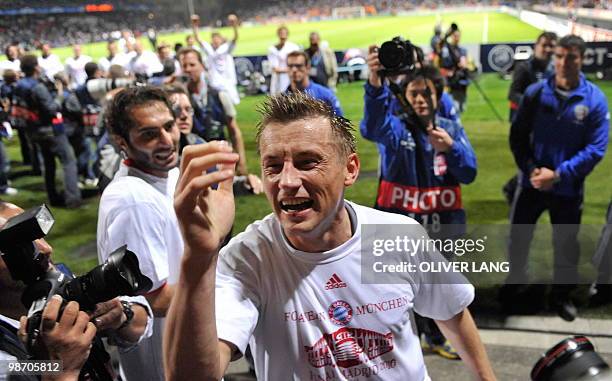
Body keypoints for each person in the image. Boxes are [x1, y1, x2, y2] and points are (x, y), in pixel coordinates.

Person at [164, 92, 495, 380]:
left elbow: (451, 312)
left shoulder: (397, 236)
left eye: (308, 162)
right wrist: (199, 255)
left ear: (350, 169)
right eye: (273, 166)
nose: (287, 181)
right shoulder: (249, 258)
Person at [362, 47, 477, 360]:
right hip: (399, 227)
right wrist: (375, 82)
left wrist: (452, 149)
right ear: (405, 97)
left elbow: (469, 173)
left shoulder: (450, 129)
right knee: (394, 288)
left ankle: (436, 337)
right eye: (414, 93)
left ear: (439, 97)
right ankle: (399, 343)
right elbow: (371, 127)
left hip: (441, 228)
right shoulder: (395, 128)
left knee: (438, 287)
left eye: (428, 93)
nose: (421, 99)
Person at [501, 35, 609, 321]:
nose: (563, 63)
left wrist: (559, 174)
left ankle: (561, 296)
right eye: (559, 56)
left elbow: (596, 148)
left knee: (565, 243)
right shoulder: (535, 93)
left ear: (582, 59)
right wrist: (531, 170)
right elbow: (518, 137)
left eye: (570, 57)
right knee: (518, 240)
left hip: (568, 188)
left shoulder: (595, 98)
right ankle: (514, 288)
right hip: (531, 182)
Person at [0, 200, 152, 381]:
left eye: (36, 235)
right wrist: (60, 370)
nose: (45, 249)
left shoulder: (54, 281)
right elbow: (16, 369)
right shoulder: (6, 359)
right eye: (19, 245)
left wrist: (121, 316)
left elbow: (143, 320)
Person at [97, 86, 183, 381]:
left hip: (186, 349)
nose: (167, 140)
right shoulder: (134, 199)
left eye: (169, 127)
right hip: (164, 366)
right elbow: (156, 302)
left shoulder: (167, 174)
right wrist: (213, 258)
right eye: (149, 134)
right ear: (122, 142)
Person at [178, 48, 262, 194]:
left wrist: (241, 163)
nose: (188, 69)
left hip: (218, 156)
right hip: (193, 156)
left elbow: (234, 131)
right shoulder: (180, 99)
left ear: (202, 66)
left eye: (192, 65)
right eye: (184, 66)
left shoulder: (220, 95)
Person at [13, 54, 81, 208]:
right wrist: (60, 94)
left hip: (32, 130)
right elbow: (51, 109)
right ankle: (73, 199)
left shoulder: (19, 85)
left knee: (48, 163)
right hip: (50, 129)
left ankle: (53, 198)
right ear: (36, 67)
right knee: (68, 161)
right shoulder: (37, 87)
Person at [502, 32, 558, 204]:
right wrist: (531, 105)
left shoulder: (554, 70)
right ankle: (514, 188)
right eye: (544, 45)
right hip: (524, 123)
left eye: (551, 46)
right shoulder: (524, 68)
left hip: (545, 124)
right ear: (536, 46)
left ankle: (514, 187)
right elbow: (512, 94)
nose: (548, 49)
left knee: (538, 158)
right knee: (528, 157)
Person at [192, 13, 241, 105]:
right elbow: (198, 39)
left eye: (217, 38)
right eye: (213, 38)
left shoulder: (225, 48)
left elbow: (235, 38)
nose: (215, 40)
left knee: (229, 106)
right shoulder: (209, 50)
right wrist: (195, 25)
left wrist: (234, 25)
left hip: (227, 81)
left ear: (221, 40)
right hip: (214, 81)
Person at [285, 51, 343, 116]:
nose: (294, 70)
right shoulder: (283, 99)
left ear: (308, 67)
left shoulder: (325, 95)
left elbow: (339, 121)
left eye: (299, 66)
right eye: (290, 66)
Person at [439, 26, 470, 114]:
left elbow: (463, 63)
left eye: (458, 36)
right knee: (454, 108)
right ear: (452, 37)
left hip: (462, 82)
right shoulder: (446, 50)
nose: (457, 38)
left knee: (462, 107)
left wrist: (464, 65)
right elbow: (439, 47)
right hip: (452, 83)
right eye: (455, 36)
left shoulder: (462, 50)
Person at [267, 25, 299, 95]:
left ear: (287, 34)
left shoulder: (294, 47)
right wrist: (290, 69)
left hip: (292, 78)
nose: (283, 35)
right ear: (278, 34)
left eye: (284, 33)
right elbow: (275, 69)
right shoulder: (272, 49)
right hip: (279, 80)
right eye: (281, 33)